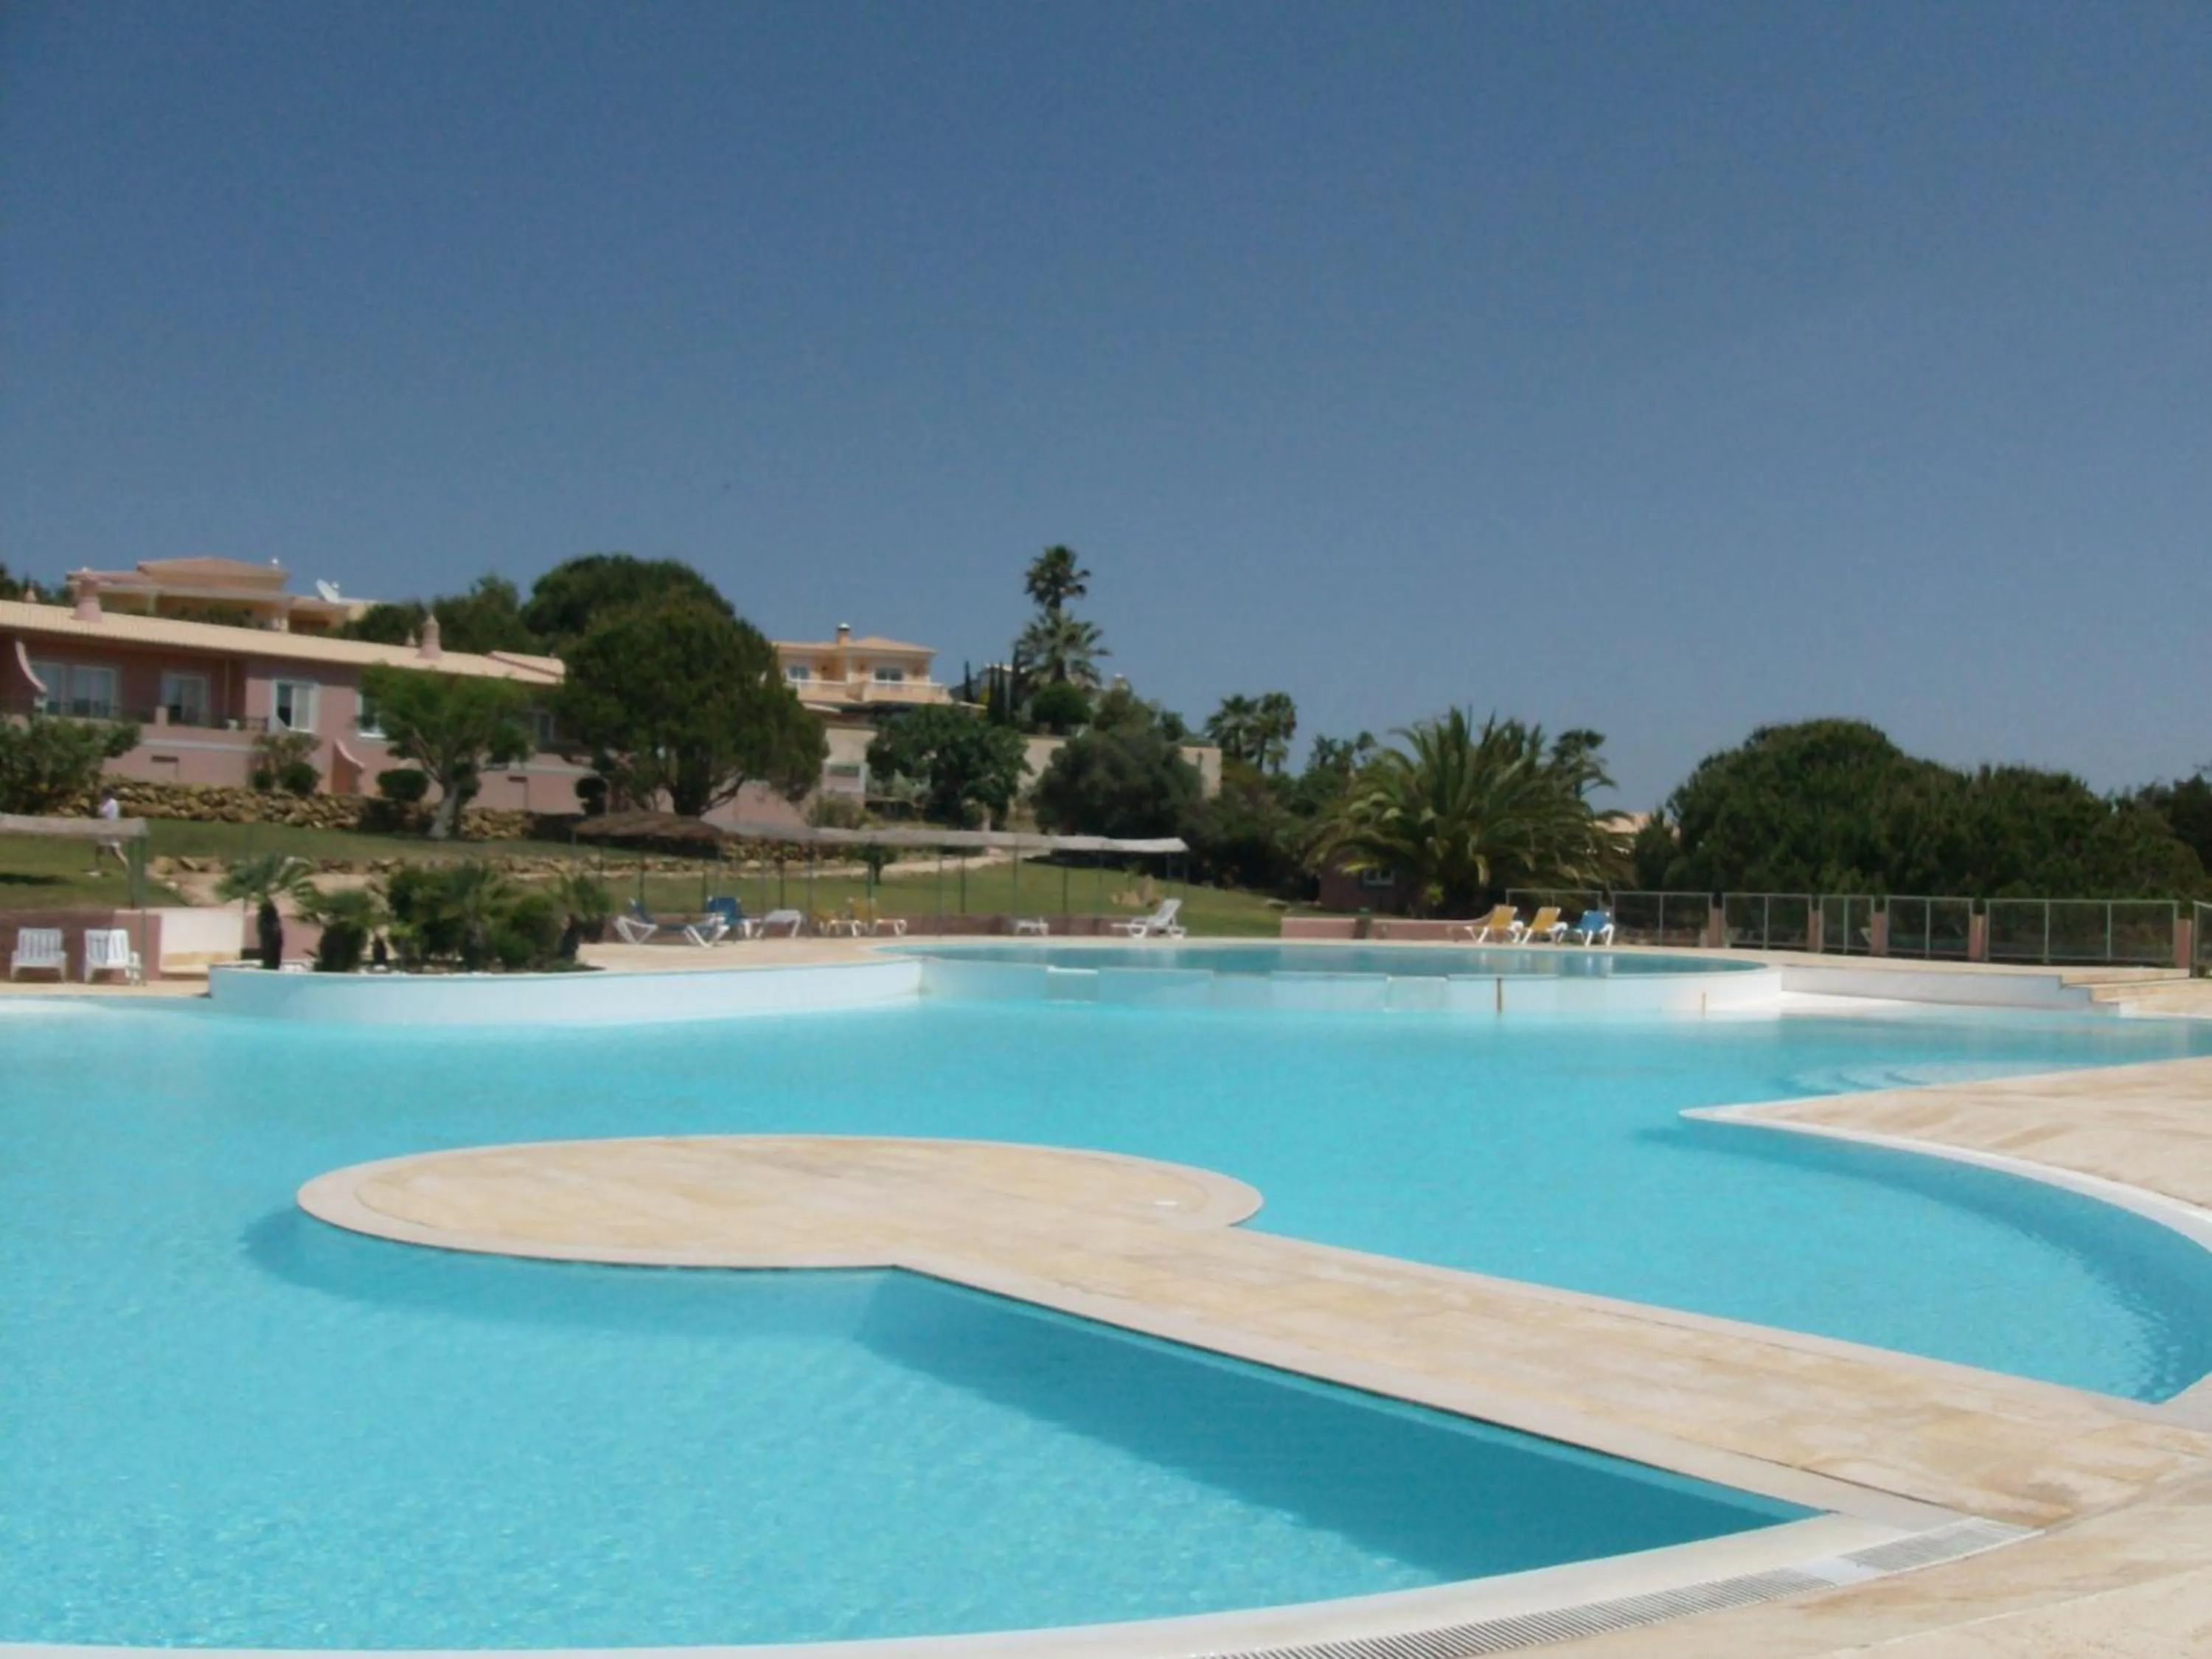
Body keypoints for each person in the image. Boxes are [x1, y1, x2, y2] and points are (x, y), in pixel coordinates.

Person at [94, 791, 128, 871]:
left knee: (100, 850)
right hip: (113, 828)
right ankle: (127, 866)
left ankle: (98, 869)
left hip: (107, 829)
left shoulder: (108, 803)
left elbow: (101, 813)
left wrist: (99, 807)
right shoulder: (115, 803)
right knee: (114, 851)